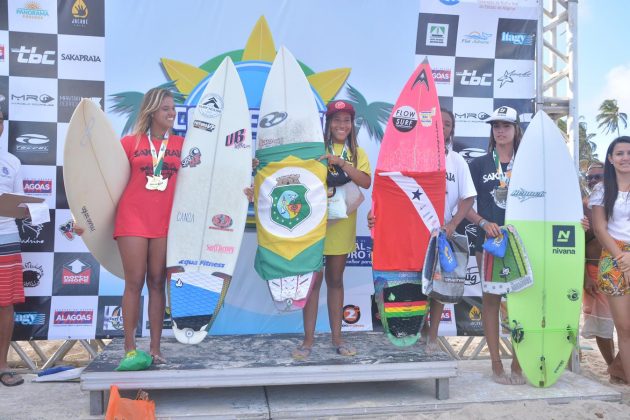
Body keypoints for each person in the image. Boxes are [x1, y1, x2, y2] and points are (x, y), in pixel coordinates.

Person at [367, 108, 476, 354]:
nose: (443, 128)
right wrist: (376, 216)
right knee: (414, 282)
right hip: (412, 231)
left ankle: (433, 336)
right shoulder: (413, 156)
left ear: (452, 130)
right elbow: (391, 193)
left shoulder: (456, 161)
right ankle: (416, 326)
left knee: (438, 286)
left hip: (440, 234)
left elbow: (468, 198)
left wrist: (452, 224)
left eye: (447, 124)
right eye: (439, 123)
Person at [292, 100, 371, 359]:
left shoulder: (357, 152)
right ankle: (308, 341)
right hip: (314, 226)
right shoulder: (316, 149)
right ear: (327, 123)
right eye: (336, 120)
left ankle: (337, 338)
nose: (341, 125)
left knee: (335, 281)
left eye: (346, 120)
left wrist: (343, 163)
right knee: (312, 283)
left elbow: (366, 182)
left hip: (342, 227)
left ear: (352, 124)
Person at [113, 88, 184, 370]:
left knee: (157, 282)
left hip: (165, 221)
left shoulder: (181, 144)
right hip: (132, 218)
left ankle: (155, 348)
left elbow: (206, 175)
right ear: (152, 111)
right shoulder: (129, 143)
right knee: (134, 281)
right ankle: (130, 348)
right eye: (166, 108)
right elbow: (104, 182)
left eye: (173, 108)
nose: (171, 113)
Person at [465, 106, 525, 385]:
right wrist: (482, 222)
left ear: (516, 129)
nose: (500, 131)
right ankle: (496, 363)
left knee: (521, 304)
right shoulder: (478, 165)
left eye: (506, 126)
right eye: (495, 126)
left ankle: (520, 362)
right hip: (488, 243)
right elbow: (463, 205)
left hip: (522, 243)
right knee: (491, 301)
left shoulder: (528, 162)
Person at [590, 136, 630, 386]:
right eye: (619, 153)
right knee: (624, 328)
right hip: (613, 258)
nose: (625, 157)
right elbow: (599, 229)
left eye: (629, 153)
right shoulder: (601, 190)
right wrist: (621, 256)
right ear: (610, 159)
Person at [581, 162, 617, 372]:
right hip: (595, 271)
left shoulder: (621, 201)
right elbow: (578, 246)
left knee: (623, 326)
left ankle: (619, 366)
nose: (593, 181)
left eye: (598, 177)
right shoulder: (583, 206)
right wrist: (585, 277)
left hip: (622, 268)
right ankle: (612, 366)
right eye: (590, 178)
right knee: (603, 326)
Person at [0, 109, 27, 386]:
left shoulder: (12, 162)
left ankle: (2, 365)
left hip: (6, 237)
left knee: (4, 304)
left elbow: (21, 205)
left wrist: (29, 210)